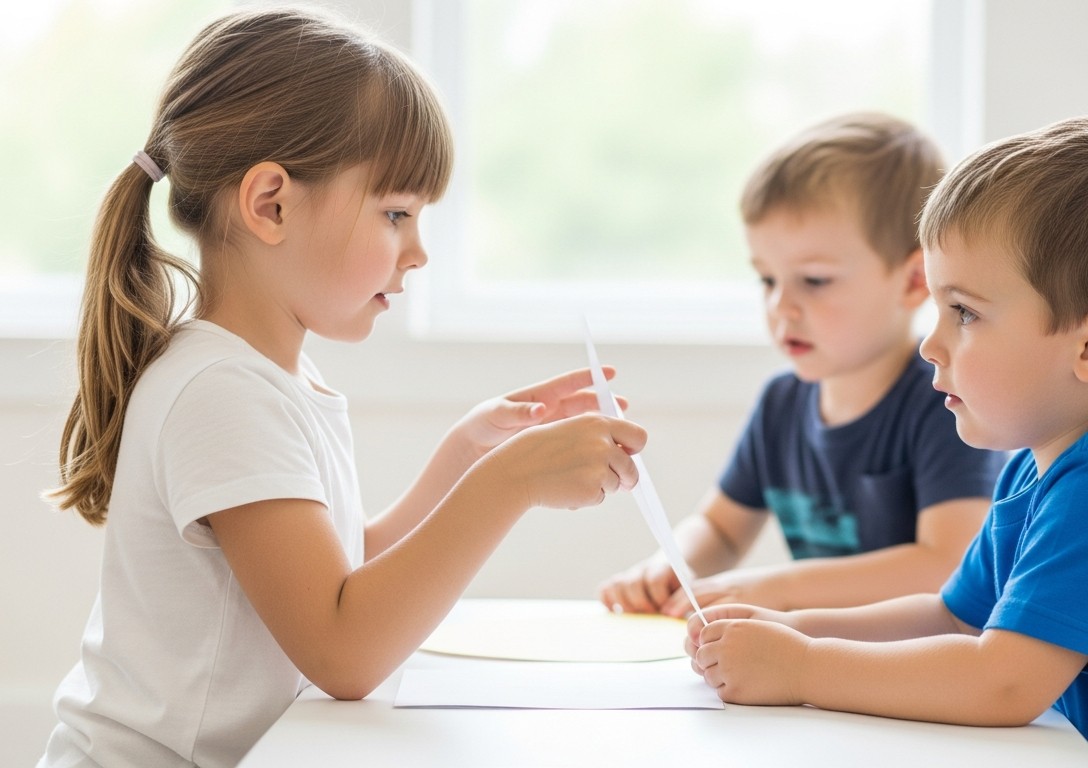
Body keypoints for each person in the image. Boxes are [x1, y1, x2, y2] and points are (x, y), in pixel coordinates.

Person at [39, 9, 645, 768]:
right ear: (271, 204)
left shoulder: (265, 376)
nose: (418, 251)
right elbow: (342, 650)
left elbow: (337, 576)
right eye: (396, 213)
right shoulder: (221, 392)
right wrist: (509, 482)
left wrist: (465, 453)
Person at [685, 116, 1088, 767]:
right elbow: (955, 618)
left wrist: (804, 668)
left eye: (965, 313)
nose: (931, 344)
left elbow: (1001, 680)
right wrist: (794, 629)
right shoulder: (1041, 466)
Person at [598, 114, 1005, 618]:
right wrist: (669, 564)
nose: (781, 307)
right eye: (767, 280)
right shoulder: (781, 404)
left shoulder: (947, 401)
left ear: (914, 281)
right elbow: (722, 527)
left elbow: (945, 563)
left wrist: (776, 590)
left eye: (814, 281)